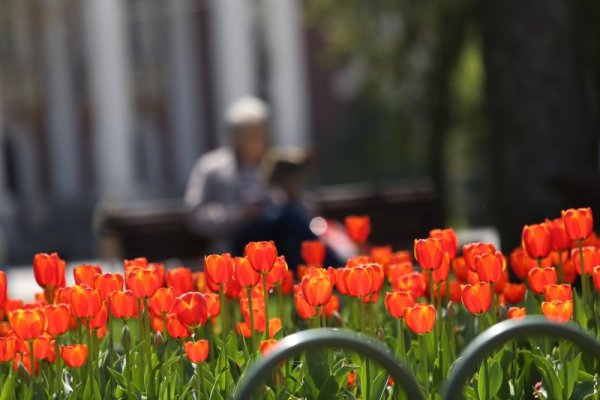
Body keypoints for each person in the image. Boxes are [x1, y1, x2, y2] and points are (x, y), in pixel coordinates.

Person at [184, 96, 317, 267]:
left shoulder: (279, 163)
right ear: (235, 137)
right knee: (289, 219)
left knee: (289, 218)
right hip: (236, 243)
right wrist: (240, 213)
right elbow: (196, 216)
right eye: (250, 135)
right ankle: (336, 272)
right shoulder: (211, 167)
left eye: (261, 133)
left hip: (280, 241)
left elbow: (308, 214)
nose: (258, 140)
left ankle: (327, 275)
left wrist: (292, 195)